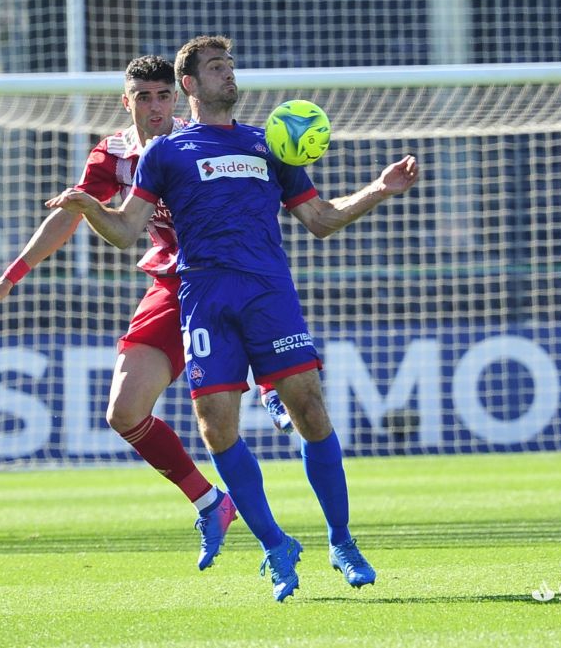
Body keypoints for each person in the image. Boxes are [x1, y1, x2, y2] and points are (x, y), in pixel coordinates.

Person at [45, 36, 419, 602]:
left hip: (269, 295)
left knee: (311, 412)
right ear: (190, 84)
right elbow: (125, 231)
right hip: (202, 299)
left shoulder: (270, 144)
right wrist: (89, 206)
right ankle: (274, 544)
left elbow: (319, 219)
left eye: (231, 66)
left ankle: (342, 541)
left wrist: (379, 189)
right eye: (216, 68)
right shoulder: (165, 153)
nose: (229, 75)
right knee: (217, 427)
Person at [0, 55, 292, 572]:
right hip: (170, 286)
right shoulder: (114, 155)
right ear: (127, 103)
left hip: (226, 279)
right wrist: (11, 277)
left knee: (242, 308)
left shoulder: (203, 139)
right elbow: (70, 218)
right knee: (123, 412)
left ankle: (271, 383)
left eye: (163, 95)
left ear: (177, 97)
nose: (155, 106)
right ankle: (211, 503)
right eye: (143, 97)